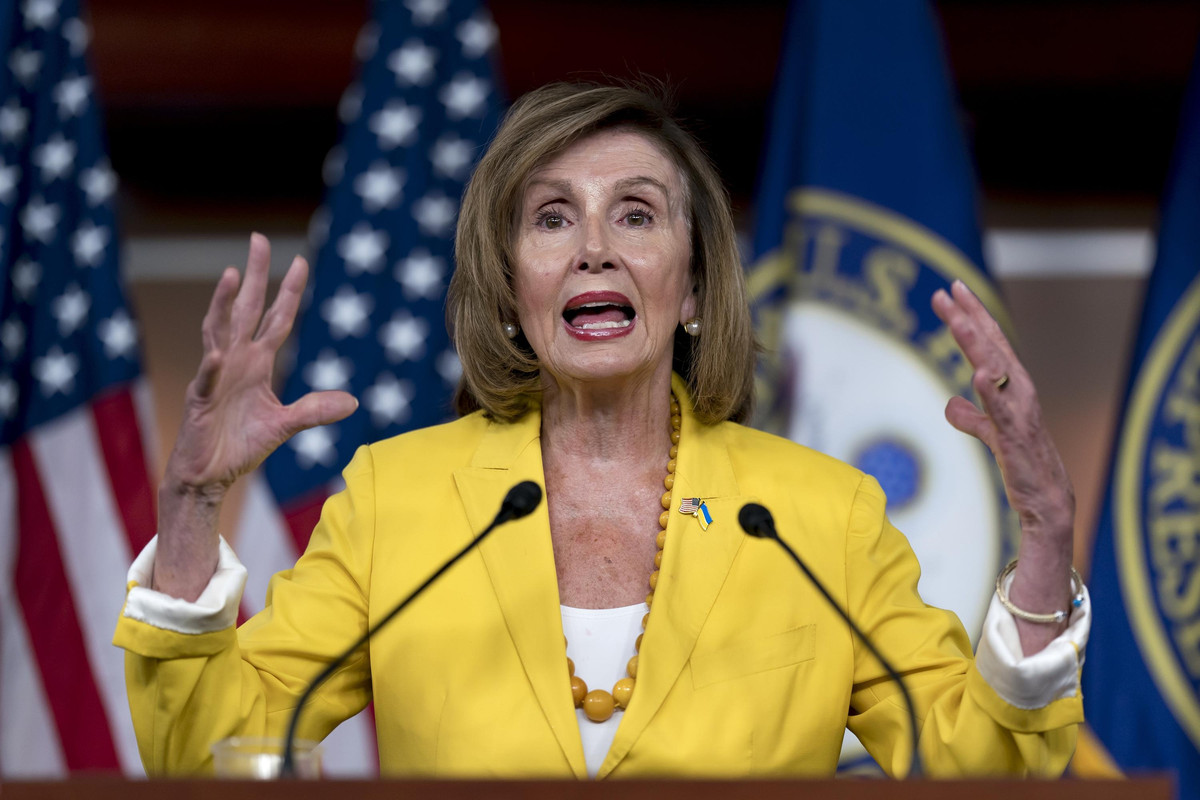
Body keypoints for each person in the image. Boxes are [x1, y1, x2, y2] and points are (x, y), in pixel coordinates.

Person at [114, 83, 1088, 779]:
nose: (593, 248)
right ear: (510, 289)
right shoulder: (395, 501)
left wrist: (1044, 535)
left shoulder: (815, 515)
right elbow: (211, 752)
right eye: (550, 219)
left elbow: (986, 766)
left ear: (695, 283)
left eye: (635, 213)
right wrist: (195, 500)